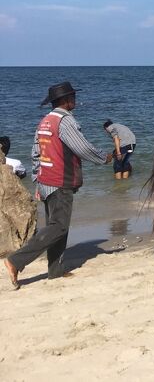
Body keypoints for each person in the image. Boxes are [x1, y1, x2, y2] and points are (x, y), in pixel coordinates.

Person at [3, 81, 112, 290]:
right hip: (59, 179)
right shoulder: (65, 121)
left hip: (46, 179)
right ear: (65, 101)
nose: (75, 100)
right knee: (59, 226)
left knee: (56, 224)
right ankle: (15, 261)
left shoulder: (44, 121)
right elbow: (82, 148)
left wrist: (37, 179)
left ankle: (55, 269)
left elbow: (35, 153)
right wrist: (104, 158)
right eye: (73, 97)